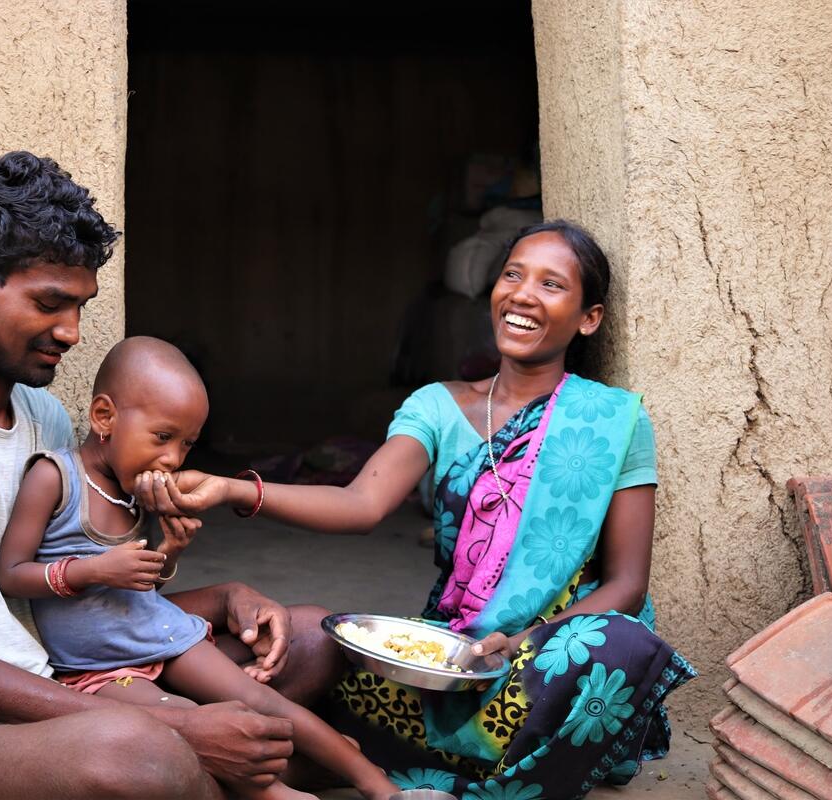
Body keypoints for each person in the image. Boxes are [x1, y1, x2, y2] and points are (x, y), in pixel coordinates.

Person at [0, 151, 345, 800]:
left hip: (66, 685)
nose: (72, 332)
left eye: (81, 307)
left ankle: (216, 773)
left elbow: (83, 606)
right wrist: (177, 730)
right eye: (50, 303)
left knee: (308, 637)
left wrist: (223, 594)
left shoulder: (41, 415)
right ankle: (217, 773)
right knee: (144, 756)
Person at [135, 220, 698, 799]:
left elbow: (628, 586)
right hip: (445, 661)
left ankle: (409, 768)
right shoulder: (437, 405)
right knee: (301, 633)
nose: (523, 294)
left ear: (589, 318)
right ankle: (165, 736)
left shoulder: (614, 420)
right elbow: (361, 503)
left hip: (542, 671)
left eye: (551, 284)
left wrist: (526, 638)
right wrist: (232, 489)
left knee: (623, 646)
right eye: (513, 274)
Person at [0, 336, 400, 800]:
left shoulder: (136, 491)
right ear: (104, 417)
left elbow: (141, 586)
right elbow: (10, 572)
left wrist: (170, 550)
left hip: (158, 634)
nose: (173, 459)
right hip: (100, 670)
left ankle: (379, 785)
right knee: (190, 718)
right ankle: (284, 791)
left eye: (186, 444)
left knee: (260, 700)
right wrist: (92, 571)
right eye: (162, 437)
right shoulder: (54, 478)